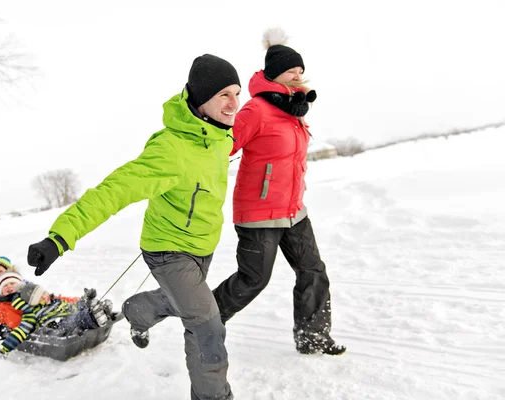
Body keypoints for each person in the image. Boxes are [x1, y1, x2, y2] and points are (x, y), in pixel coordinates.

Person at [25, 54, 240, 400]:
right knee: (206, 326)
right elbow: (114, 190)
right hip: (169, 251)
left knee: (180, 302)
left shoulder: (220, 137)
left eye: (237, 93)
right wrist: (61, 236)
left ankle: (135, 311)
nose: (234, 104)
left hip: (203, 246)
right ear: (201, 99)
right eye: (224, 95)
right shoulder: (170, 150)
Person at [212, 28, 346, 356]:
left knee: (313, 270)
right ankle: (206, 319)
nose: (299, 77)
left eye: (301, 72)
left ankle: (313, 336)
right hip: (258, 212)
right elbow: (221, 148)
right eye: (291, 72)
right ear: (275, 76)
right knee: (253, 279)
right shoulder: (256, 110)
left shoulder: (293, 110)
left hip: (293, 209)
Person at [0, 281, 110, 359]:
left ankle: (97, 310)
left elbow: (73, 307)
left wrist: (84, 300)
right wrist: (5, 349)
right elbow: (21, 331)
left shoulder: (56, 301)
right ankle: (95, 316)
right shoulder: (32, 313)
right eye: (40, 297)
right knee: (75, 320)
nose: (45, 296)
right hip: (58, 327)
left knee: (78, 310)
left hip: (71, 317)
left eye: (44, 293)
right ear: (34, 302)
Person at [0, 271, 81, 339]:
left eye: (12, 284)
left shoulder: (31, 295)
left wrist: (79, 300)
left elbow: (56, 298)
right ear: (1, 291)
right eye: (5, 286)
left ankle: (88, 313)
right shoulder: (2, 308)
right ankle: (65, 331)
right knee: (50, 328)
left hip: (51, 319)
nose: (9, 287)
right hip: (34, 333)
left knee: (66, 311)